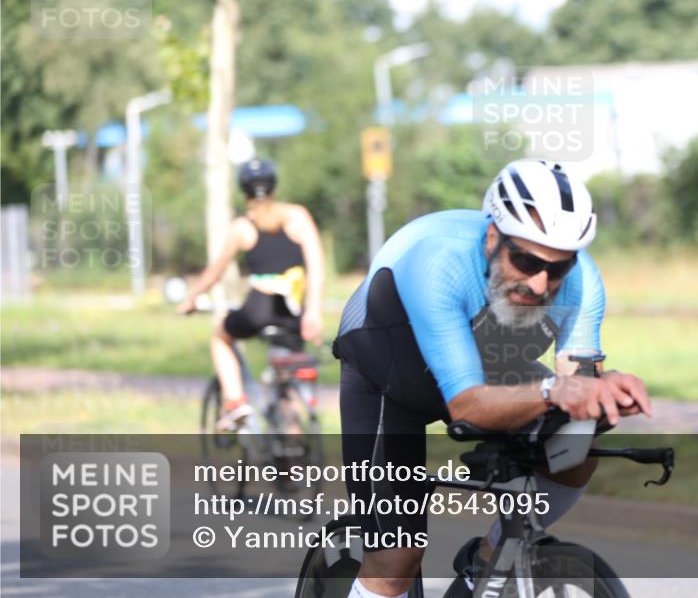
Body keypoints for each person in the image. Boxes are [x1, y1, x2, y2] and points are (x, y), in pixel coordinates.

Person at [332, 159, 652, 598]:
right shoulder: (439, 264)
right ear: (492, 238)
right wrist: (556, 389)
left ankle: (488, 562)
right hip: (388, 371)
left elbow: (576, 389)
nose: (541, 283)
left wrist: (603, 391)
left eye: (557, 268)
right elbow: (466, 405)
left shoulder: (582, 282)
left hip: (485, 361)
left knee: (578, 446)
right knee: (395, 559)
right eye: (525, 260)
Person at [177, 158, 325, 430]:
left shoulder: (243, 227)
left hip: (260, 307)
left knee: (221, 337)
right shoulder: (298, 217)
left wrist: (192, 298)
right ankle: (293, 445)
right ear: (274, 186)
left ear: (243, 190)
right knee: (286, 381)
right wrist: (313, 310)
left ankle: (235, 403)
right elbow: (316, 264)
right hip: (293, 312)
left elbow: (215, 271)